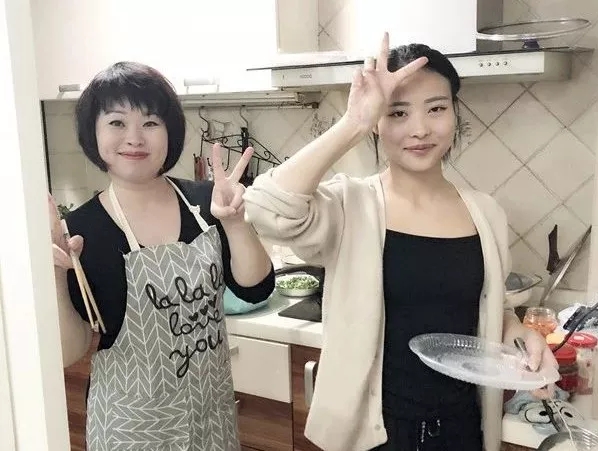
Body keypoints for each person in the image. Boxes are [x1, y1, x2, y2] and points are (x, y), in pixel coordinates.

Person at [243, 33, 557, 451]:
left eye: (436, 108)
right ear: (378, 123)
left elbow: (493, 311)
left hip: (463, 429)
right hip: (376, 435)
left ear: (455, 113)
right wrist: (353, 123)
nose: (420, 129)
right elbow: (264, 208)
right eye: (397, 113)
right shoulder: (351, 204)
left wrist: (523, 339)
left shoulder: (486, 214)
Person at [48, 61, 274, 451]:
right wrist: (54, 270)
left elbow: (256, 288)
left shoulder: (206, 202)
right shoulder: (83, 230)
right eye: (117, 123)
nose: (134, 138)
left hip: (211, 422)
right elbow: (70, 352)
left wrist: (235, 222)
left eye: (151, 122)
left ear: (170, 131)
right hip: (131, 431)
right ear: (93, 133)